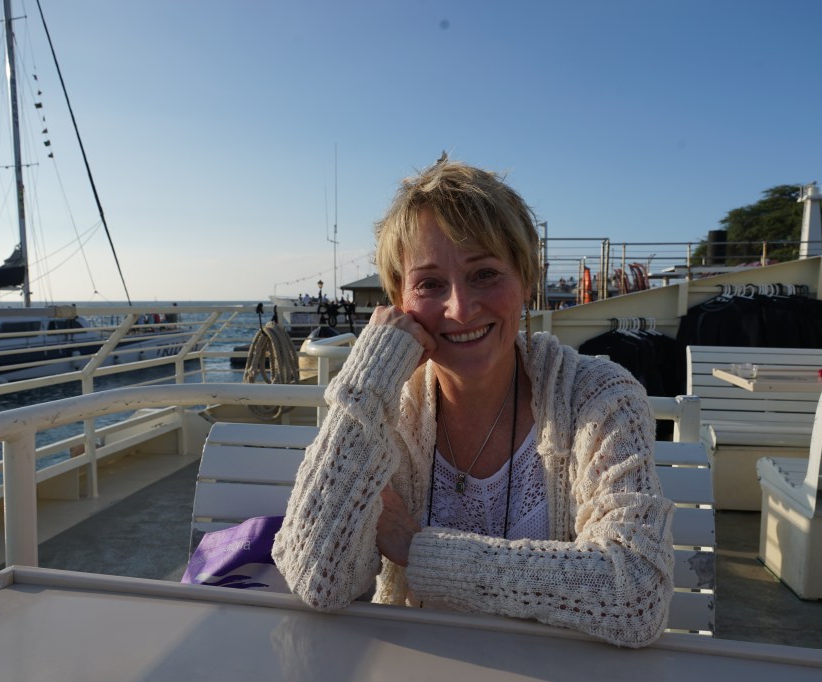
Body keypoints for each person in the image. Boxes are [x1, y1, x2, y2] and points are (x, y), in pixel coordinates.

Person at [272, 156, 674, 648]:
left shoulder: (597, 398)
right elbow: (318, 578)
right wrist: (367, 381)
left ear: (526, 280)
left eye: (484, 273)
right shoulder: (386, 410)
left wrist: (419, 551)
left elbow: (637, 595)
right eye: (430, 284)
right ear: (399, 297)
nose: (460, 308)